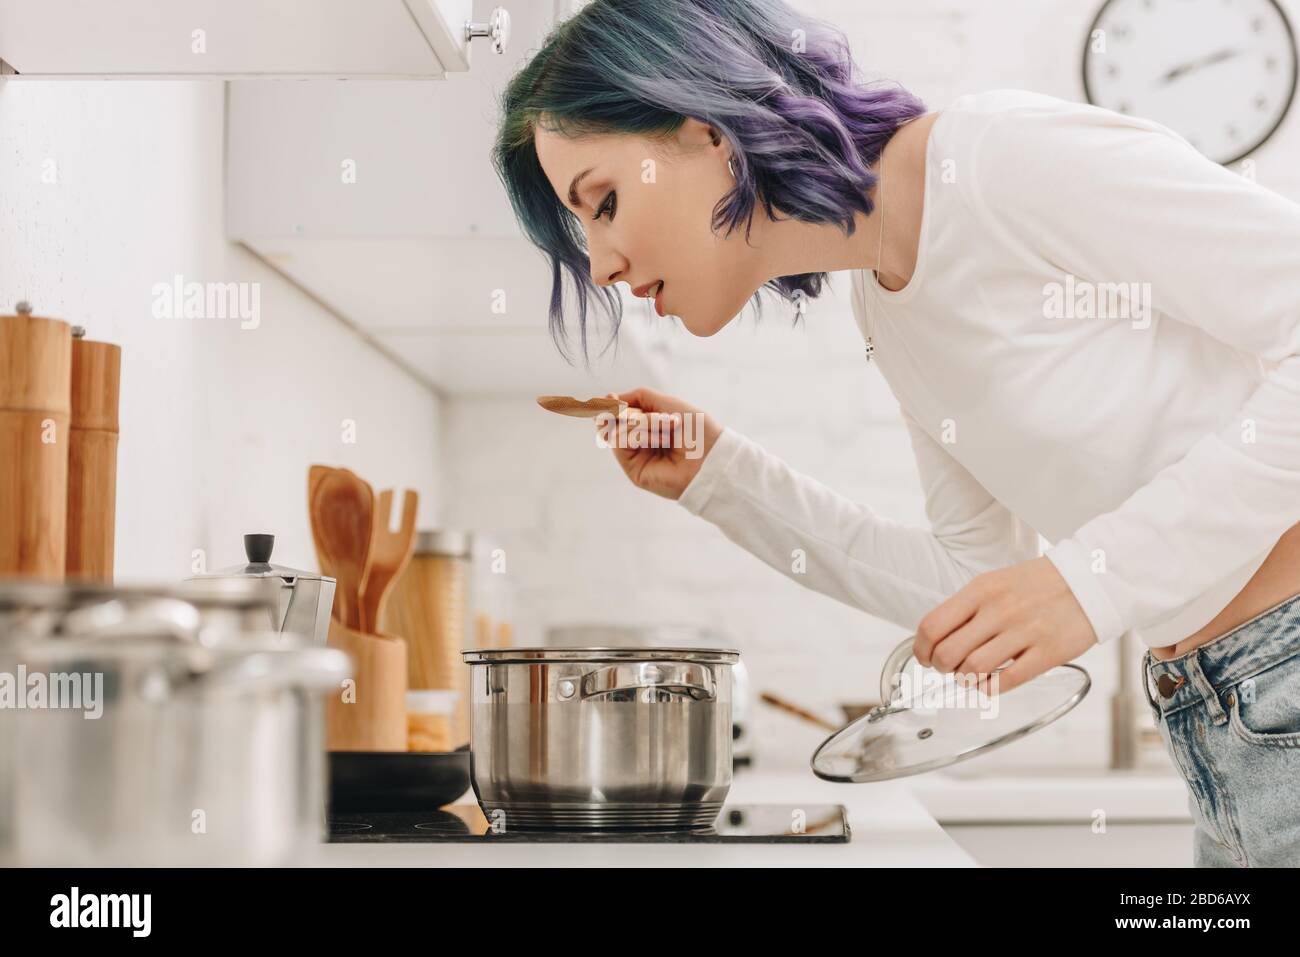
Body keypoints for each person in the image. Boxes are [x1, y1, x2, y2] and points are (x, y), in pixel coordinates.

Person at [492, 0, 1300, 867]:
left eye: (604, 202)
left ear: (706, 134)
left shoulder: (998, 161)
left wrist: (1088, 586)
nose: (601, 265)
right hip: (1224, 721)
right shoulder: (887, 296)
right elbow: (975, 578)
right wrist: (720, 477)